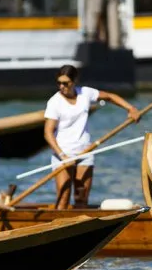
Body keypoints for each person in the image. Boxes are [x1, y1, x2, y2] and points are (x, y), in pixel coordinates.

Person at [44, 64, 140, 209]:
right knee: (63, 199)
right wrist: (63, 156)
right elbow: (48, 132)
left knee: (81, 198)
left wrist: (130, 108)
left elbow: (109, 96)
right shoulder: (54, 102)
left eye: (65, 83)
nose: (61, 87)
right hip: (63, 154)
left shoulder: (85, 93)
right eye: (59, 83)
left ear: (74, 81)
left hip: (85, 152)